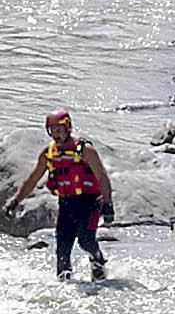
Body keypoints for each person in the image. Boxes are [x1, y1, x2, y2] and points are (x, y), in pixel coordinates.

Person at [14, 110, 112, 281]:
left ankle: (97, 260)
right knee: (62, 253)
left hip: (89, 203)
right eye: (52, 131)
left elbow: (102, 177)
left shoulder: (85, 150)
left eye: (59, 130)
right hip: (66, 204)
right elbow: (33, 178)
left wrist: (108, 204)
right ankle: (64, 293)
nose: (56, 135)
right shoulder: (49, 153)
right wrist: (15, 201)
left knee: (86, 241)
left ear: (68, 128)